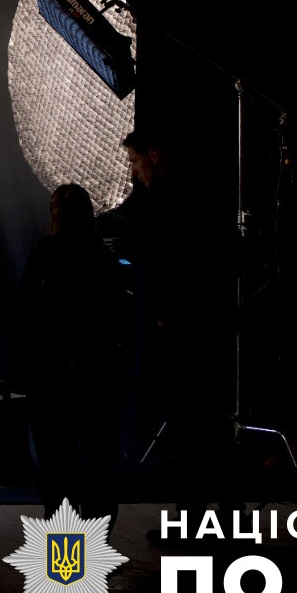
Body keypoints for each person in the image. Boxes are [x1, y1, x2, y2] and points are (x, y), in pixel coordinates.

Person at [121, 127, 243, 539]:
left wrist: (167, 312)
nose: (134, 172)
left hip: (189, 327)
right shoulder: (194, 192)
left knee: (191, 424)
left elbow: (177, 262)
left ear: (154, 155)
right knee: (207, 422)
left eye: (136, 162)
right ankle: (226, 514)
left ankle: (195, 518)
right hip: (204, 324)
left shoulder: (173, 199)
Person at [18, 183, 127, 525]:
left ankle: (63, 545)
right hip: (96, 368)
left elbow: (26, 309)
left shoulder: (45, 253)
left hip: (50, 371)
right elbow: (116, 315)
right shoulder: (103, 258)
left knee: (55, 462)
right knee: (98, 460)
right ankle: (98, 539)